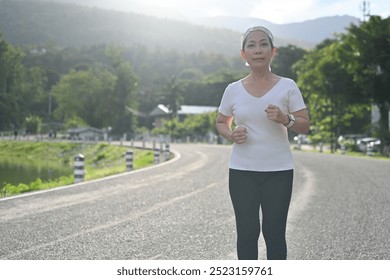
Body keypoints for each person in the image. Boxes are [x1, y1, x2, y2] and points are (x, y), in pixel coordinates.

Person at [215, 26, 310, 260]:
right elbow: (220, 122)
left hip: (278, 172)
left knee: (274, 233)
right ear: (243, 54)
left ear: (273, 51)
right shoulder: (232, 90)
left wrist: (285, 119)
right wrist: (231, 134)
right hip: (242, 172)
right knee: (247, 233)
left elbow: (304, 124)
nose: (258, 49)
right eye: (251, 45)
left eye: (263, 44)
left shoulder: (288, 86)